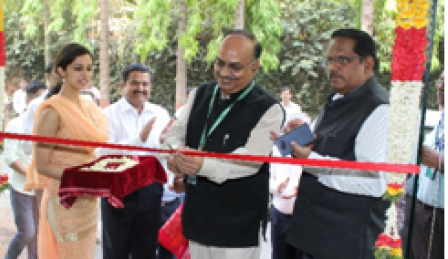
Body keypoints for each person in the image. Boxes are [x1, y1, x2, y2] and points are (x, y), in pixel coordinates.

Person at [163, 29, 284, 259]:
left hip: (236, 228)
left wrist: (200, 165)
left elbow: (248, 161)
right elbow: (175, 134)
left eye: (235, 67)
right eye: (220, 63)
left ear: (255, 67)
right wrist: (177, 156)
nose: (224, 72)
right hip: (196, 218)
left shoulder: (269, 109)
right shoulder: (200, 93)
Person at [282, 28, 391, 259]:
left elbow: (372, 182)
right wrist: (302, 139)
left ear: (368, 63)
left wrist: (310, 160)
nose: (333, 67)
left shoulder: (379, 109)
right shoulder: (336, 99)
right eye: (330, 60)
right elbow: (328, 148)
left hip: (344, 244)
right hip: (312, 235)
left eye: (343, 59)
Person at [23, 43, 110, 259]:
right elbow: (42, 164)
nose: (85, 74)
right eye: (78, 68)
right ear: (61, 71)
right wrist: (81, 176)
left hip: (88, 200)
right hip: (64, 200)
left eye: (89, 68)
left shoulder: (89, 105)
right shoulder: (52, 111)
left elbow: (91, 152)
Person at [99, 64, 172, 259]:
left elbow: (164, 155)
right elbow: (103, 153)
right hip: (118, 190)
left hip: (150, 190)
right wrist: (138, 140)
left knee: (147, 249)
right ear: (123, 85)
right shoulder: (108, 114)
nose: (140, 88)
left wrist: (168, 144)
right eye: (135, 83)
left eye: (145, 84)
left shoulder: (160, 114)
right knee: (116, 249)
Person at [3, 80, 46, 259]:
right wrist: (32, 175)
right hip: (22, 189)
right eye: (38, 98)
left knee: (38, 235)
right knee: (27, 232)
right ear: (28, 100)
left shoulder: (48, 126)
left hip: (41, 191)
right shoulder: (15, 125)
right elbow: (10, 157)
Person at [406, 72, 444, 259]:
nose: (440, 89)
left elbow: (437, 159)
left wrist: (441, 162)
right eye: (440, 84)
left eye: (445, 86)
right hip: (420, 209)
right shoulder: (439, 120)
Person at [269, 112, 310, 259]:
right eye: (290, 127)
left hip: (303, 218)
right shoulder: (277, 149)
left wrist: (302, 190)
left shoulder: (313, 154)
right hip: (280, 213)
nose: (293, 132)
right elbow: (270, 177)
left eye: (298, 128)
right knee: (279, 254)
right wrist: (276, 187)